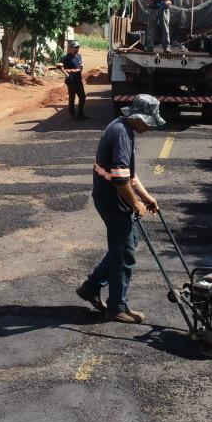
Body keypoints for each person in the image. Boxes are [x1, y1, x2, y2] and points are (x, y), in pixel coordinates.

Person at [76, 94, 166, 323]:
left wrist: (146, 197)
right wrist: (136, 204)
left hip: (111, 198)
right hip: (112, 201)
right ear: (137, 117)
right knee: (124, 254)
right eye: (148, 122)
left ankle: (92, 286)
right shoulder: (121, 134)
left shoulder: (123, 128)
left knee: (127, 245)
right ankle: (117, 306)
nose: (149, 127)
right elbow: (119, 179)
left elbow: (129, 175)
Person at [56, 40, 87, 120]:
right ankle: (73, 115)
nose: (77, 49)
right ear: (70, 48)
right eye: (75, 47)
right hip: (71, 81)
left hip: (78, 80)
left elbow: (80, 65)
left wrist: (81, 68)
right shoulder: (66, 57)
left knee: (82, 97)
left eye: (78, 47)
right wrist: (67, 74)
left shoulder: (79, 56)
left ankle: (80, 114)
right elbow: (59, 66)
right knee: (72, 97)